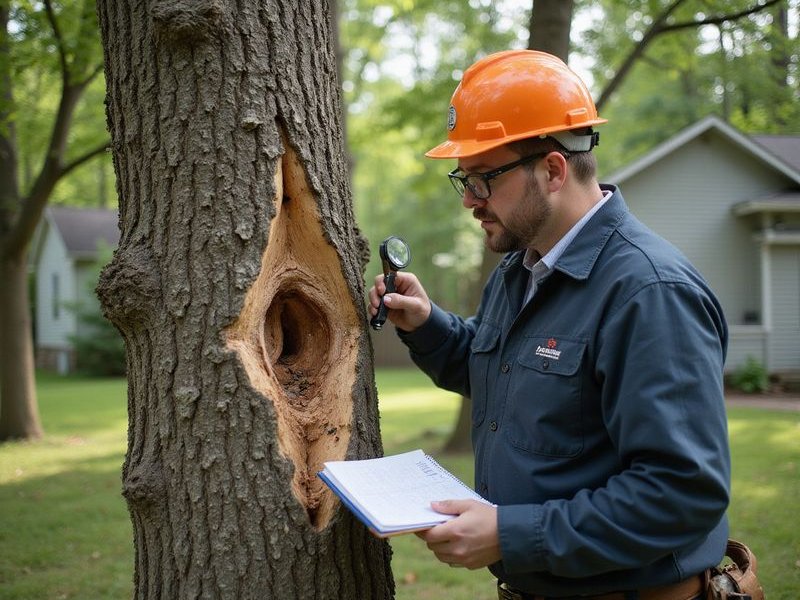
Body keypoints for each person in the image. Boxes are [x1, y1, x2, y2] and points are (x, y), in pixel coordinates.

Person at [368, 50, 730, 600]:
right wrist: (426, 324)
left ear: (554, 170)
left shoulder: (649, 292)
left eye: (483, 179)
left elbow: (681, 494)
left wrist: (511, 534)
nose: (470, 201)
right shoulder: (520, 268)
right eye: (463, 180)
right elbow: (504, 376)